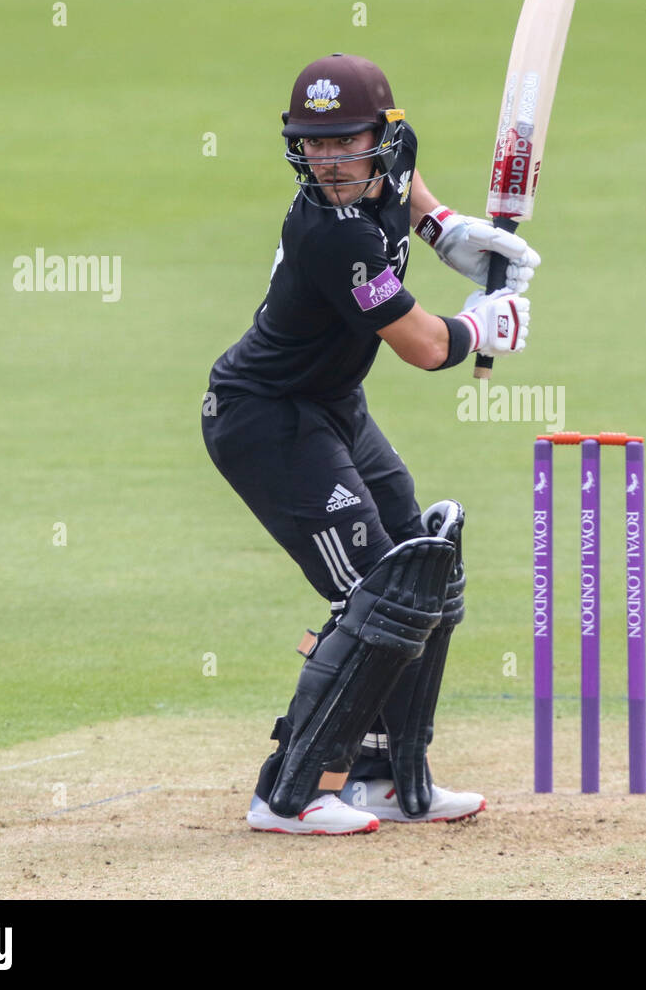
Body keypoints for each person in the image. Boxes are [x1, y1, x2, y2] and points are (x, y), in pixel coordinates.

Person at [201, 53, 537, 835]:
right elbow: (422, 345)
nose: (329, 161)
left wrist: (445, 229)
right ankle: (287, 793)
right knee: (377, 595)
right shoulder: (327, 232)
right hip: (264, 418)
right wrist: (483, 326)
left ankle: (386, 778)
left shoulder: (395, 153)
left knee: (422, 568)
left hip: (332, 405)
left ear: (382, 135)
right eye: (311, 146)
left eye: (345, 141)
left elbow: (411, 186)